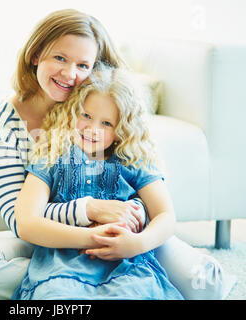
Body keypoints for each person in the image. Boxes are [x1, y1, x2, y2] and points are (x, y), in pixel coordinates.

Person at [0, 8, 226, 300]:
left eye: (83, 65)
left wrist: (127, 220)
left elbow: (156, 194)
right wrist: (91, 212)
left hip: (125, 237)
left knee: (207, 282)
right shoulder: (8, 123)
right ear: (35, 55)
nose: (70, 74)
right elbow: (20, 220)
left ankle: (105, 281)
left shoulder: (112, 104)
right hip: (50, 239)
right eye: (59, 58)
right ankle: (73, 282)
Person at [13, 65, 183, 299]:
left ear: (122, 128)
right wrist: (94, 237)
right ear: (71, 112)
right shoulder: (51, 157)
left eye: (106, 123)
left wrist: (137, 244)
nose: (93, 129)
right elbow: (27, 223)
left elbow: (166, 215)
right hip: (61, 269)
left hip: (128, 267)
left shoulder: (132, 160)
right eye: (86, 116)